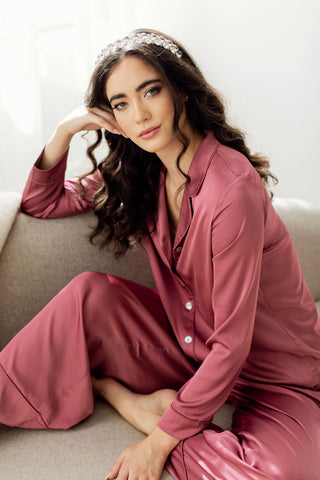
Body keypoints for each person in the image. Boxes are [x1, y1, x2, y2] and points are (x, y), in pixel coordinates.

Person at [1, 28, 320, 480]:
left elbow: (232, 345)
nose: (141, 114)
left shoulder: (233, 190)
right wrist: (66, 129)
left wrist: (157, 443)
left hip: (273, 375)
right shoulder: (143, 170)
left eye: (150, 91)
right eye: (121, 104)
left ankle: (127, 400)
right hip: (192, 353)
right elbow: (41, 204)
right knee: (89, 294)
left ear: (181, 91)